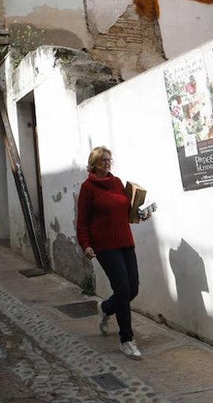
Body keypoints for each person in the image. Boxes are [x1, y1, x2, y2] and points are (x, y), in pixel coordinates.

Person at [76, 145, 148, 360]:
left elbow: (126, 212)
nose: (108, 163)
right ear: (94, 164)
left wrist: (140, 214)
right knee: (122, 289)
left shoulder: (116, 183)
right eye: (104, 160)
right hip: (105, 246)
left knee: (132, 288)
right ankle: (127, 340)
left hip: (125, 241)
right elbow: (82, 222)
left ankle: (106, 307)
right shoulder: (88, 188)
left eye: (109, 160)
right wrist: (85, 244)